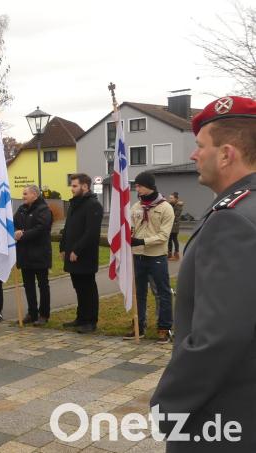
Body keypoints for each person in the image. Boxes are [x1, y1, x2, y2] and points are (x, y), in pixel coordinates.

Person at [151, 96, 256, 452]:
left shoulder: (232, 219)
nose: (194, 156)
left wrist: (167, 409)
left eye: (200, 146)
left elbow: (219, 336)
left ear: (226, 154)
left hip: (225, 419)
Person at [125, 171, 174, 343]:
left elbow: (163, 236)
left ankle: (164, 327)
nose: (136, 188)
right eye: (136, 185)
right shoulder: (136, 207)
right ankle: (139, 325)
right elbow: (131, 227)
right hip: (138, 256)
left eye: (139, 185)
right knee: (138, 293)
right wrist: (128, 235)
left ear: (149, 186)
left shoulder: (165, 208)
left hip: (156, 256)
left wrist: (141, 241)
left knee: (162, 292)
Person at [59, 173, 103, 334]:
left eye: (75, 186)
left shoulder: (93, 205)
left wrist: (77, 250)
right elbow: (68, 228)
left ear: (85, 186)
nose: (72, 188)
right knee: (78, 287)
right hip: (72, 253)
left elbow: (91, 232)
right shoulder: (73, 204)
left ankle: (90, 321)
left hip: (85, 255)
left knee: (88, 288)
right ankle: (81, 318)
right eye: (72, 185)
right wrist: (63, 247)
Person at [13, 185, 53, 326]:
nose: (23, 196)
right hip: (24, 254)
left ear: (34, 195)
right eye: (23, 194)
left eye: (25, 193)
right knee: (28, 285)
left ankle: (43, 314)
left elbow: (41, 229)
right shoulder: (21, 209)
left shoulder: (43, 210)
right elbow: (14, 224)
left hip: (40, 254)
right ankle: (32, 312)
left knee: (43, 285)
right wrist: (16, 231)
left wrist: (23, 234)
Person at [167, 192, 183, 260]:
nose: (170, 199)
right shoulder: (170, 204)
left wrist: (168, 218)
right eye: (169, 198)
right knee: (169, 240)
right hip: (170, 225)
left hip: (174, 225)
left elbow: (175, 216)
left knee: (174, 239)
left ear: (176, 199)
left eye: (171, 198)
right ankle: (169, 254)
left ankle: (176, 255)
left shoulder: (178, 206)